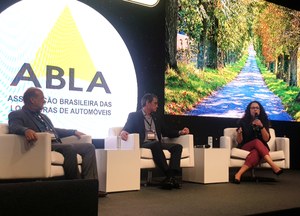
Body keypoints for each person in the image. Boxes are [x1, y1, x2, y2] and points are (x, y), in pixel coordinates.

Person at [8, 87, 98, 181]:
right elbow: (14, 127)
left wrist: (73, 131)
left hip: (57, 144)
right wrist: (26, 130)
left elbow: (54, 130)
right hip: (43, 145)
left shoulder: (43, 116)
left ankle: (90, 183)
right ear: (32, 100)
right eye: (42, 99)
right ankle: (75, 184)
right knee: (68, 148)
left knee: (89, 147)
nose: (44, 101)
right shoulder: (17, 114)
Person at [120, 93, 190, 189]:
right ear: (147, 103)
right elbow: (127, 127)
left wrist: (180, 132)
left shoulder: (157, 117)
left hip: (157, 143)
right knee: (155, 144)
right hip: (144, 143)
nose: (157, 105)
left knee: (177, 147)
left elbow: (167, 131)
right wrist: (123, 132)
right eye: (155, 103)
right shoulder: (134, 116)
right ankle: (170, 176)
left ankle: (171, 177)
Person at [233, 101, 283, 184]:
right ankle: (273, 165)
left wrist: (261, 126)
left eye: (257, 108)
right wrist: (239, 133)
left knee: (256, 152)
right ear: (249, 110)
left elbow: (266, 139)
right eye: (253, 108)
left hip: (261, 148)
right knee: (256, 141)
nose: (255, 110)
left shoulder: (264, 121)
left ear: (260, 110)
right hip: (246, 146)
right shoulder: (243, 122)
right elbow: (239, 141)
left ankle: (238, 174)